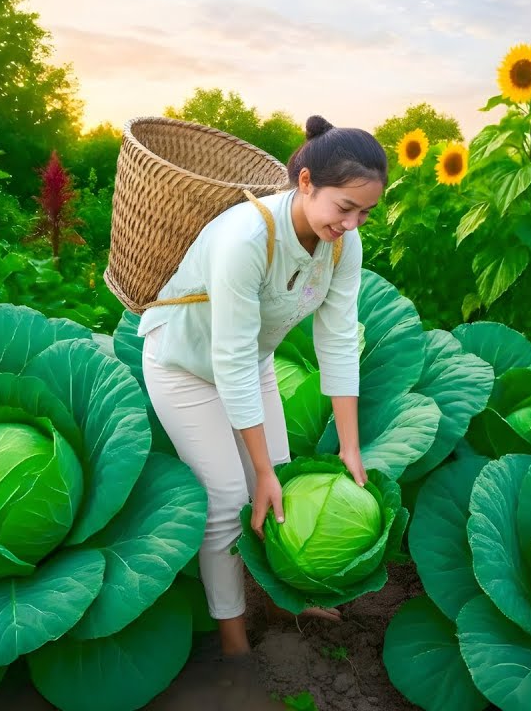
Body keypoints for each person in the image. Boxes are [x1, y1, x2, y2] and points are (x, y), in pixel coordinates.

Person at [137, 115, 387, 657]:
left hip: (253, 362)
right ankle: (233, 638)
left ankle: (277, 600)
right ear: (304, 183)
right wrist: (263, 471)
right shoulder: (244, 238)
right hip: (184, 366)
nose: (352, 223)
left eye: (365, 212)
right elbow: (226, 362)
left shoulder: (344, 247)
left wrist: (348, 447)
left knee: (277, 493)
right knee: (229, 497)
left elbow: (340, 342)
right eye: (344, 207)